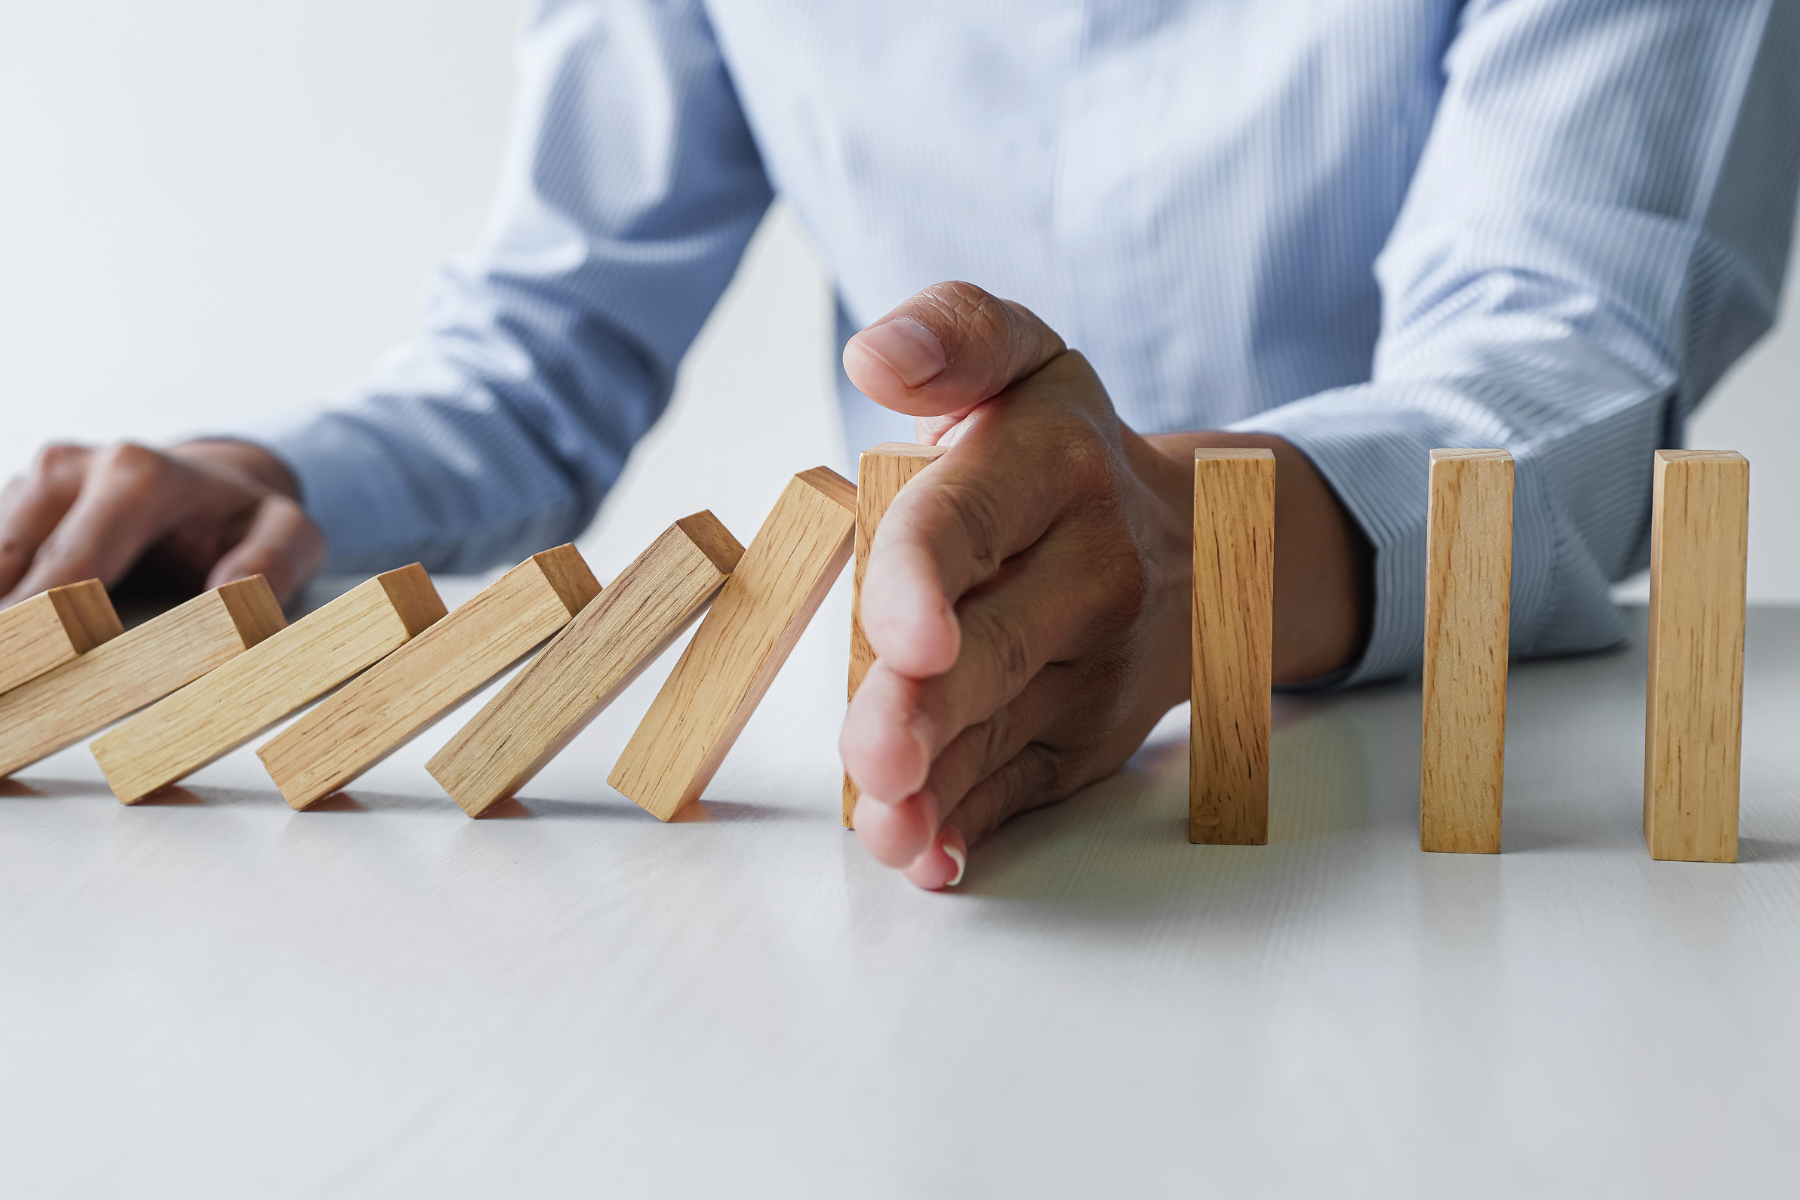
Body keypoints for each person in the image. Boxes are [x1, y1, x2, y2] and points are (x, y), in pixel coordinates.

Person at [2, 2, 1795, 890]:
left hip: (1439, 808)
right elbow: (546, 351)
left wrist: (1196, 546)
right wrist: (282, 488)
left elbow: (1565, 350)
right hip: (931, 757)